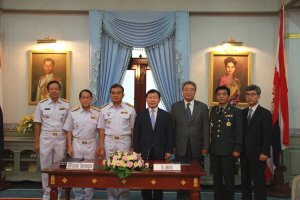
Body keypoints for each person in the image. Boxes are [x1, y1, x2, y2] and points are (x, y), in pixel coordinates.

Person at [170, 81, 210, 200]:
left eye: (191, 89)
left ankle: (195, 197)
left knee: (195, 175)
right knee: (181, 174)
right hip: (180, 146)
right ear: (182, 91)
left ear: (195, 92)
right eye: (186, 89)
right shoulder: (175, 106)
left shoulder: (202, 107)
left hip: (196, 146)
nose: (188, 92)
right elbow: (172, 128)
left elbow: (206, 128)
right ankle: (181, 198)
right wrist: (172, 146)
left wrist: (206, 146)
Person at [97, 84, 136, 200]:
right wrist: (101, 147)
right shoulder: (104, 109)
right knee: (110, 169)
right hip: (109, 141)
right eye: (113, 93)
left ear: (123, 95)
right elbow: (101, 130)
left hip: (125, 141)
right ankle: (112, 197)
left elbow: (133, 129)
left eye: (118, 93)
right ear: (110, 95)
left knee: (125, 169)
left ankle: (124, 196)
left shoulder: (130, 109)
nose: (115, 95)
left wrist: (133, 146)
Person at [34, 80, 70, 200]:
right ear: (48, 91)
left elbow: (69, 126)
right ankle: (46, 195)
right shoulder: (42, 104)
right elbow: (37, 124)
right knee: (45, 166)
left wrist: (68, 143)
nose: (54, 91)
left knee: (58, 167)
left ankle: (57, 195)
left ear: (60, 90)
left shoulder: (66, 104)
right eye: (51, 89)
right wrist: (36, 142)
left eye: (56, 89)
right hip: (46, 137)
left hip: (60, 138)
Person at [134, 89, 173, 200]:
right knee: (145, 178)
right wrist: (137, 151)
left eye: (155, 97)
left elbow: (170, 134)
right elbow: (136, 135)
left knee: (159, 178)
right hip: (144, 151)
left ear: (159, 100)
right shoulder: (140, 115)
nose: (152, 100)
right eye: (150, 97)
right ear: (146, 99)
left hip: (160, 152)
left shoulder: (165, 115)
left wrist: (169, 150)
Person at [63, 89, 101, 200]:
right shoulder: (73, 112)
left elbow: (100, 131)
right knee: (76, 172)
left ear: (91, 99)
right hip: (77, 145)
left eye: (88, 97)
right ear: (79, 99)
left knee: (90, 171)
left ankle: (88, 196)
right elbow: (68, 130)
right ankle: (78, 196)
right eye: (83, 97)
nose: (85, 99)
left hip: (91, 145)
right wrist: (69, 146)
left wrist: (99, 147)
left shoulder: (97, 113)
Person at [209, 86, 243, 200]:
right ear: (216, 96)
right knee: (217, 179)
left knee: (229, 180)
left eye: (224, 94)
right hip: (214, 150)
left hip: (229, 151)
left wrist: (237, 148)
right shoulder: (212, 111)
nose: (221, 96)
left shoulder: (235, 111)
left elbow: (239, 131)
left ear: (228, 96)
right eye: (219, 94)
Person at [240, 85, 272, 200]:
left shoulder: (265, 113)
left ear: (259, 96)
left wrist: (265, 152)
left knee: (259, 182)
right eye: (247, 94)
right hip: (244, 154)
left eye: (253, 94)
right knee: (245, 182)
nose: (250, 97)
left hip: (258, 155)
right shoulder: (242, 113)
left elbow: (268, 135)